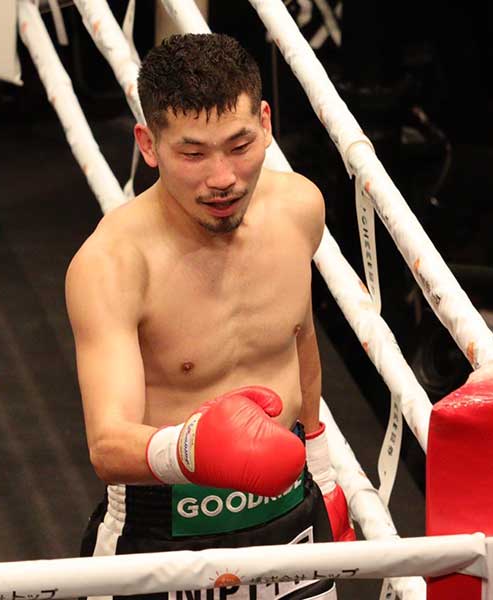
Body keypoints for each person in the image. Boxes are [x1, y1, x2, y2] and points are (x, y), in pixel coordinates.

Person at [65, 34, 352, 600]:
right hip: (163, 529)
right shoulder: (113, 264)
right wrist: (195, 449)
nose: (222, 177)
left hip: (289, 517)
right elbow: (108, 445)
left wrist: (320, 465)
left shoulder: (299, 208)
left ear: (266, 123)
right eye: (192, 154)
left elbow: (299, 339)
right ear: (148, 144)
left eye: (239, 145)